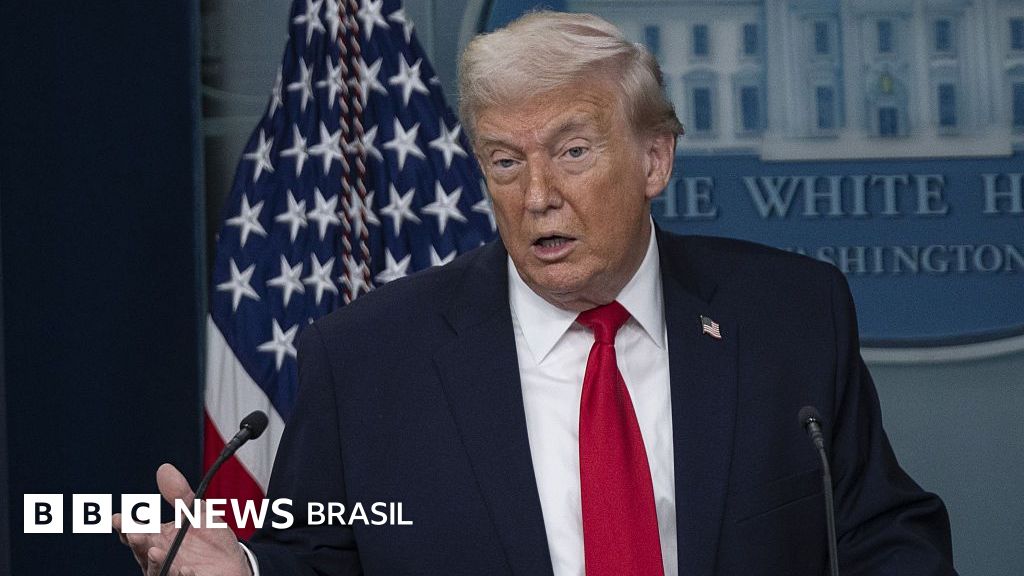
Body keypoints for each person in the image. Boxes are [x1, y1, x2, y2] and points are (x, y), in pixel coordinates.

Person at [116, 11, 957, 576]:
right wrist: (247, 570)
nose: (538, 195)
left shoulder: (790, 315)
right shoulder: (369, 357)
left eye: (573, 152)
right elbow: (317, 560)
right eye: (506, 162)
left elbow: (882, 533)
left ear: (655, 159)